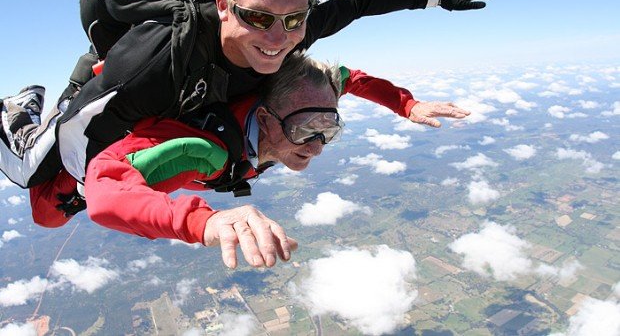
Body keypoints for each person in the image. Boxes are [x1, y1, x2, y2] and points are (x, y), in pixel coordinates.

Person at [0, 0, 485, 192]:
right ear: (226, 8)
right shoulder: (159, 59)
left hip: (184, 84)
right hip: (123, 63)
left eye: (294, 19)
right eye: (258, 17)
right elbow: (74, 143)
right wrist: (103, 184)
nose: (278, 38)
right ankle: (18, 111)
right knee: (36, 178)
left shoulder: (293, 28)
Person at [29, 52, 425, 269]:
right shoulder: (200, 151)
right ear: (266, 119)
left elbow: (348, 76)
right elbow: (105, 190)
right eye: (306, 131)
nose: (318, 146)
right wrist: (206, 221)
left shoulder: (306, 91)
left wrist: (406, 105)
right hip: (90, 158)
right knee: (47, 214)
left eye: (329, 129)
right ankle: (26, 115)